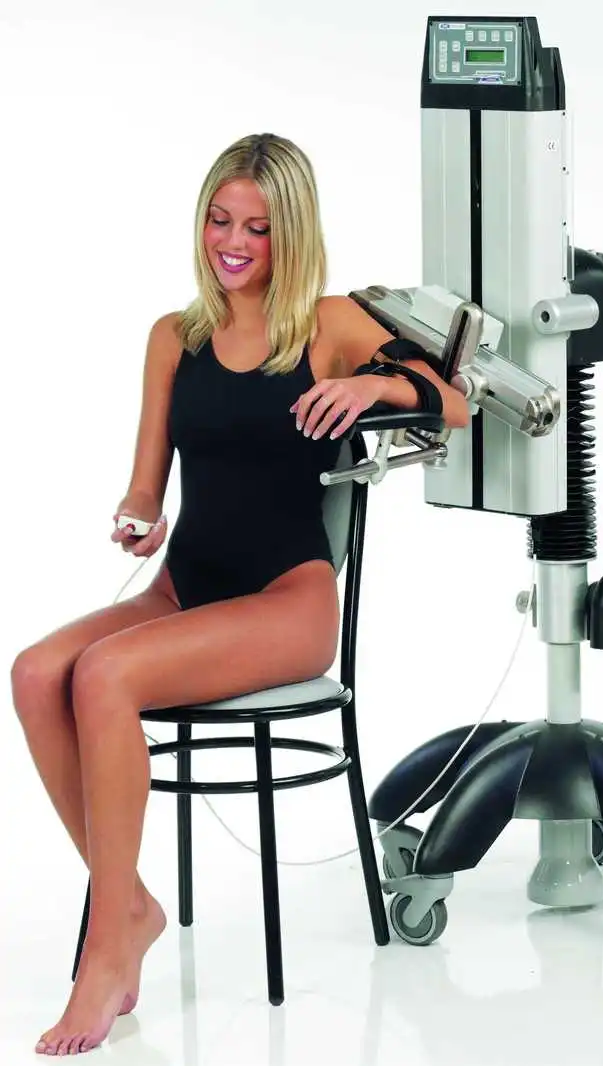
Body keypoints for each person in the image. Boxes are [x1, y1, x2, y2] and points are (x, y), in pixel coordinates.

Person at [10, 132, 469, 1056]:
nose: (233, 242)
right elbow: (147, 486)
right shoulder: (173, 338)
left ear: (289, 233)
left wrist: (371, 386)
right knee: (33, 672)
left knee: (104, 676)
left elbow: (453, 400)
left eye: (257, 228)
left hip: (287, 601)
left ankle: (105, 951)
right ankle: (131, 907)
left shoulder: (328, 324)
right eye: (220, 220)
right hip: (184, 589)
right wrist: (137, 519)